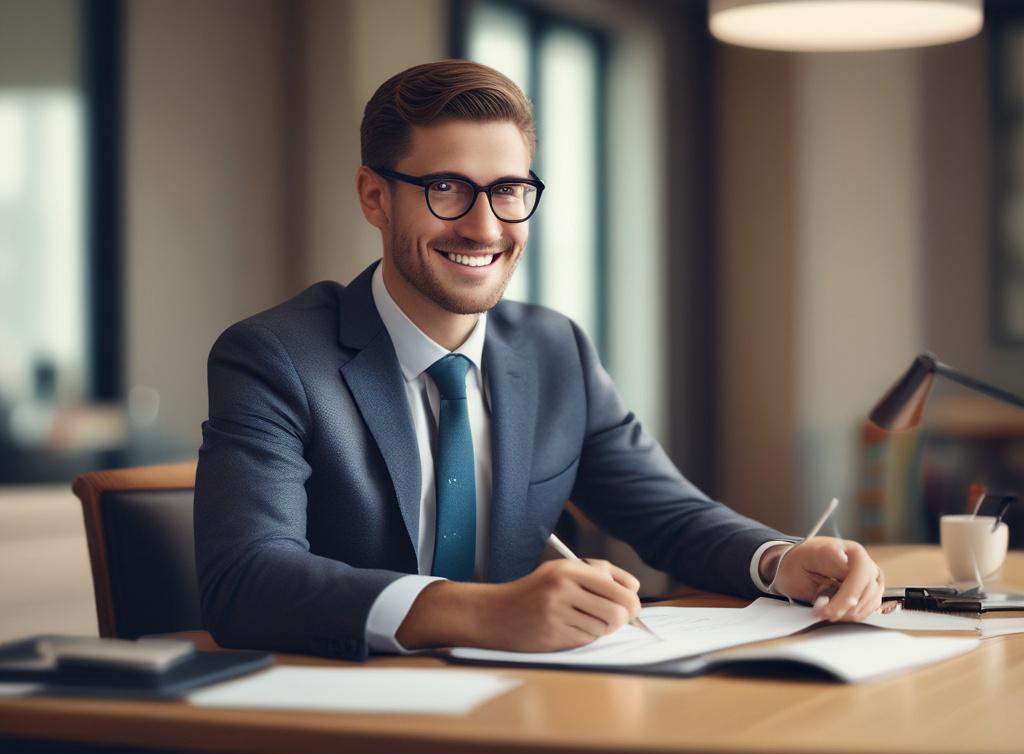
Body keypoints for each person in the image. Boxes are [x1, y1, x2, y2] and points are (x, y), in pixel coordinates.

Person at [193, 60, 884, 660]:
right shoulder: (275, 358)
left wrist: (782, 560)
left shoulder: (555, 350)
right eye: (446, 189)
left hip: (528, 704)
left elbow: (670, 517)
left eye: (508, 190)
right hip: (349, 719)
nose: (485, 226)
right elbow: (245, 579)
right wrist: (481, 613)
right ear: (375, 196)